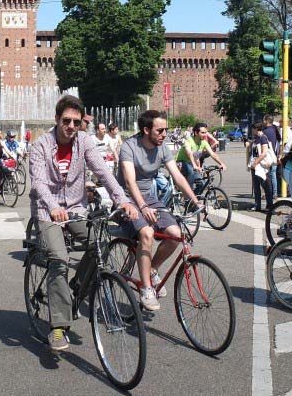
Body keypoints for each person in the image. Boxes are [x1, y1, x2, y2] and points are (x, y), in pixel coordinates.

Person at [29, 95, 138, 351]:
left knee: (99, 243)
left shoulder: (84, 142)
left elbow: (103, 172)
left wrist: (122, 200)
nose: (70, 126)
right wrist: (54, 207)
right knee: (59, 258)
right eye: (66, 120)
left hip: (76, 208)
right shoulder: (41, 146)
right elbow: (38, 183)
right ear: (57, 120)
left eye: (76, 122)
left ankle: (74, 290)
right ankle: (57, 328)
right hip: (48, 211)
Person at [119, 110, 200, 311]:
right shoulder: (129, 147)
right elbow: (129, 182)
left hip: (149, 198)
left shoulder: (162, 148)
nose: (165, 134)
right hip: (126, 199)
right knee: (146, 233)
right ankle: (146, 288)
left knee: (175, 235)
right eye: (160, 130)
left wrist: (196, 201)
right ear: (146, 130)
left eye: (166, 130)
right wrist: (143, 207)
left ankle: (152, 269)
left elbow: (178, 177)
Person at [176, 122, 227, 192]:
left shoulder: (203, 143)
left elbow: (212, 154)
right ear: (196, 133)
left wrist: (221, 163)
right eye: (202, 133)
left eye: (206, 132)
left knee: (202, 184)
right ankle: (188, 195)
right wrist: (194, 165)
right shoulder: (189, 140)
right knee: (190, 170)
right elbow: (189, 153)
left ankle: (193, 200)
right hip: (181, 163)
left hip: (192, 165)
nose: (205, 135)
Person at [248, 122, 273, 212]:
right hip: (255, 165)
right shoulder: (257, 138)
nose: (252, 131)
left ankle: (270, 205)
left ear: (256, 129)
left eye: (253, 129)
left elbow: (264, 153)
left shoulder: (263, 138)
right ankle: (257, 204)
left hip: (261, 166)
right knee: (256, 186)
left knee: (266, 185)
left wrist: (256, 162)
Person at [263, 115, 281, 199]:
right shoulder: (275, 130)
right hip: (274, 154)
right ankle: (275, 193)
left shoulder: (265, 131)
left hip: (267, 156)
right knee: (273, 174)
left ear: (266, 121)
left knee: (266, 175)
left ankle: (268, 192)